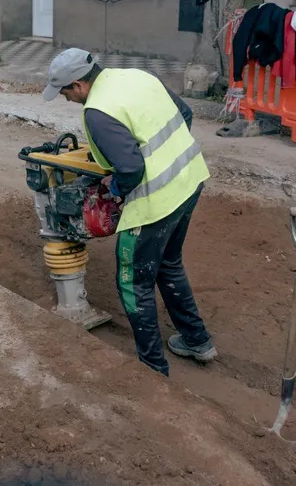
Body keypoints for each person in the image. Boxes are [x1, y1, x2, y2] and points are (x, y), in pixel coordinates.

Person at [41, 48, 216, 376]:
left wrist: (114, 189)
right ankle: (197, 340)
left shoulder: (97, 111)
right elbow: (185, 114)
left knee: (133, 283)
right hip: (190, 181)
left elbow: (131, 168)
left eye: (64, 92)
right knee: (168, 263)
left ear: (78, 85)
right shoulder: (136, 75)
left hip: (155, 204)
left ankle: (152, 370)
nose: (65, 99)